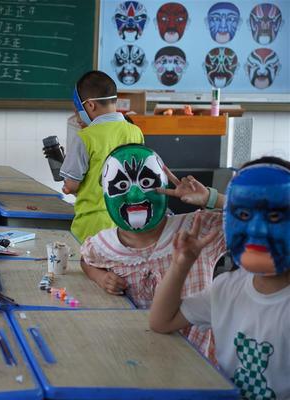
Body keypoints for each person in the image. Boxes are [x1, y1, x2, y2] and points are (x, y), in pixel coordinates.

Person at [150, 157, 290, 399]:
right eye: (243, 214)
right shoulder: (226, 289)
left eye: (275, 217)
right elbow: (161, 321)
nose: (256, 229)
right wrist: (180, 266)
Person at [80, 144, 226, 358]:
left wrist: (211, 199)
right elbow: (86, 260)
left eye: (147, 182)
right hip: (137, 354)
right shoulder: (104, 245)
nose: (135, 195)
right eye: (121, 185)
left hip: (198, 359)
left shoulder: (197, 229)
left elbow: (262, 219)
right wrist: (100, 277)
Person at [60, 70, 144, 242]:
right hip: (126, 223)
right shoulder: (136, 132)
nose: (77, 117)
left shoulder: (85, 137)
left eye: (78, 110)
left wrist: (68, 186)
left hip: (92, 225)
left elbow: (71, 185)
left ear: (90, 105)